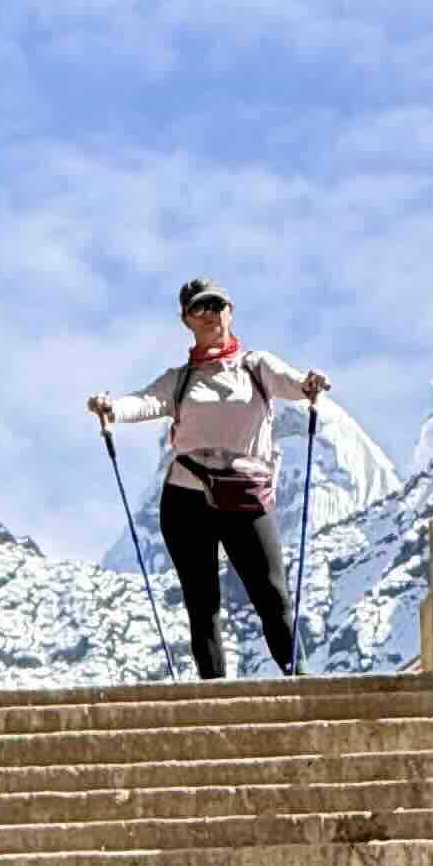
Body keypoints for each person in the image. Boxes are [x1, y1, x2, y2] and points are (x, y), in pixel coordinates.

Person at [88, 281, 328, 681]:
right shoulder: (180, 380)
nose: (210, 314)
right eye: (200, 308)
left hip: (244, 492)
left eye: (216, 305)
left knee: (272, 596)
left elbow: (295, 382)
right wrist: (111, 408)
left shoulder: (257, 366)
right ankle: (214, 691)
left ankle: (299, 679)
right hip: (186, 496)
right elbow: (143, 401)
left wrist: (310, 384)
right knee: (202, 604)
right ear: (186, 320)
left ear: (230, 312)